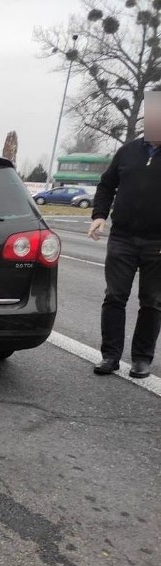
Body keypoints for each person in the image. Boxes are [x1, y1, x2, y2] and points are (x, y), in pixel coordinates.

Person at [88, 90, 161, 379]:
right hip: (122, 238)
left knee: (152, 301)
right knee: (115, 297)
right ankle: (110, 356)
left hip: (158, 242)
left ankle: (142, 359)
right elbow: (106, 185)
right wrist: (98, 216)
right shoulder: (128, 151)